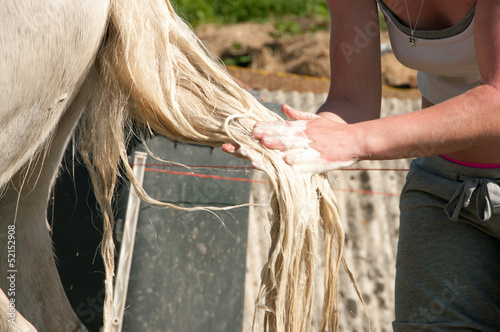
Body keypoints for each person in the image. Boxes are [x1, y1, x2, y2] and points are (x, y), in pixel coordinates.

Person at [223, 0, 500, 330]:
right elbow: (352, 101)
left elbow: (496, 99)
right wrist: (295, 139)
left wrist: (355, 141)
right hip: (442, 188)